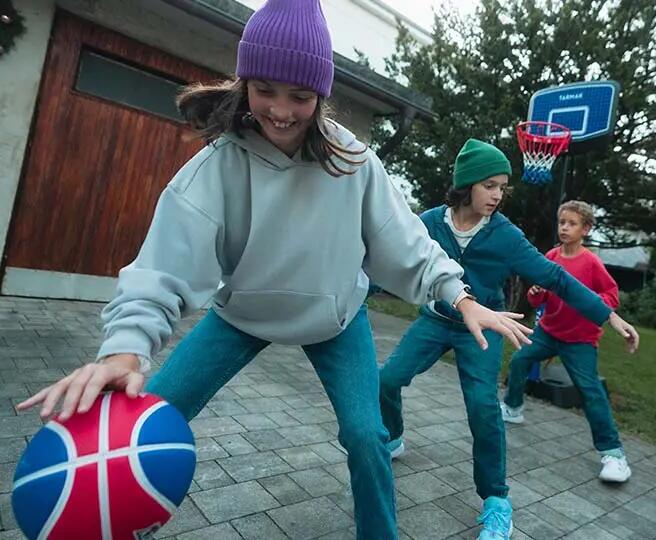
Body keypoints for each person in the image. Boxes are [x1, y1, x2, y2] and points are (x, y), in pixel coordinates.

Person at [16, 3, 533, 538]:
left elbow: (407, 245)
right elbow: (163, 264)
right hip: (243, 314)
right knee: (143, 421)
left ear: (321, 97)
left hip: (333, 319)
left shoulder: (353, 163)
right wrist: (125, 350)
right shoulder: (218, 165)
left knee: (366, 434)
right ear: (244, 84)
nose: (281, 110)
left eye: (300, 96)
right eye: (265, 89)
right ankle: (117, 518)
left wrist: (461, 296)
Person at [377, 140, 639, 540]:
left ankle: (497, 501)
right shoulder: (429, 222)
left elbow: (555, 278)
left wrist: (608, 315)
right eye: (490, 185)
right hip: (436, 320)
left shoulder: (505, 235)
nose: (498, 195)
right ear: (466, 184)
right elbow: (391, 261)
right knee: (387, 380)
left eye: (502, 187)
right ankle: (393, 437)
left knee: (483, 409)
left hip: (485, 327)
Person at [502, 200, 637, 483]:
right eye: (562, 222)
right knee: (519, 361)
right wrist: (537, 293)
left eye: (572, 223)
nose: (564, 227)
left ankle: (614, 454)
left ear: (585, 229)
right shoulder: (551, 256)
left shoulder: (591, 262)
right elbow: (536, 299)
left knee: (590, 391)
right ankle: (513, 408)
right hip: (548, 332)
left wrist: (588, 303)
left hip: (580, 340)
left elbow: (611, 295)